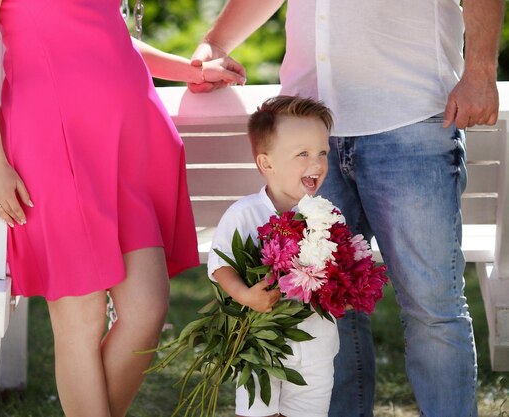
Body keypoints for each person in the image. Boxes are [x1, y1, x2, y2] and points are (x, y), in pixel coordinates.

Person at [191, 1, 504, 416]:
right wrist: (215, 43)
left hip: (411, 117)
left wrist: (480, 70)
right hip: (308, 126)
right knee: (323, 302)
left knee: (433, 307)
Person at [0, 1, 245, 416]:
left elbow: (103, 34)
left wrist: (189, 70)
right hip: (54, 143)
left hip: (127, 144)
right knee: (82, 319)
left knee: (147, 307)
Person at [208, 96, 339, 417]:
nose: (317, 163)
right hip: (258, 345)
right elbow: (220, 264)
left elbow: (339, 271)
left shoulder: (328, 216)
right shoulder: (244, 214)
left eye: (322, 152)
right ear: (267, 164)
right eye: (303, 154)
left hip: (315, 345)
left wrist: (341, 292)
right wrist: (244, 296)